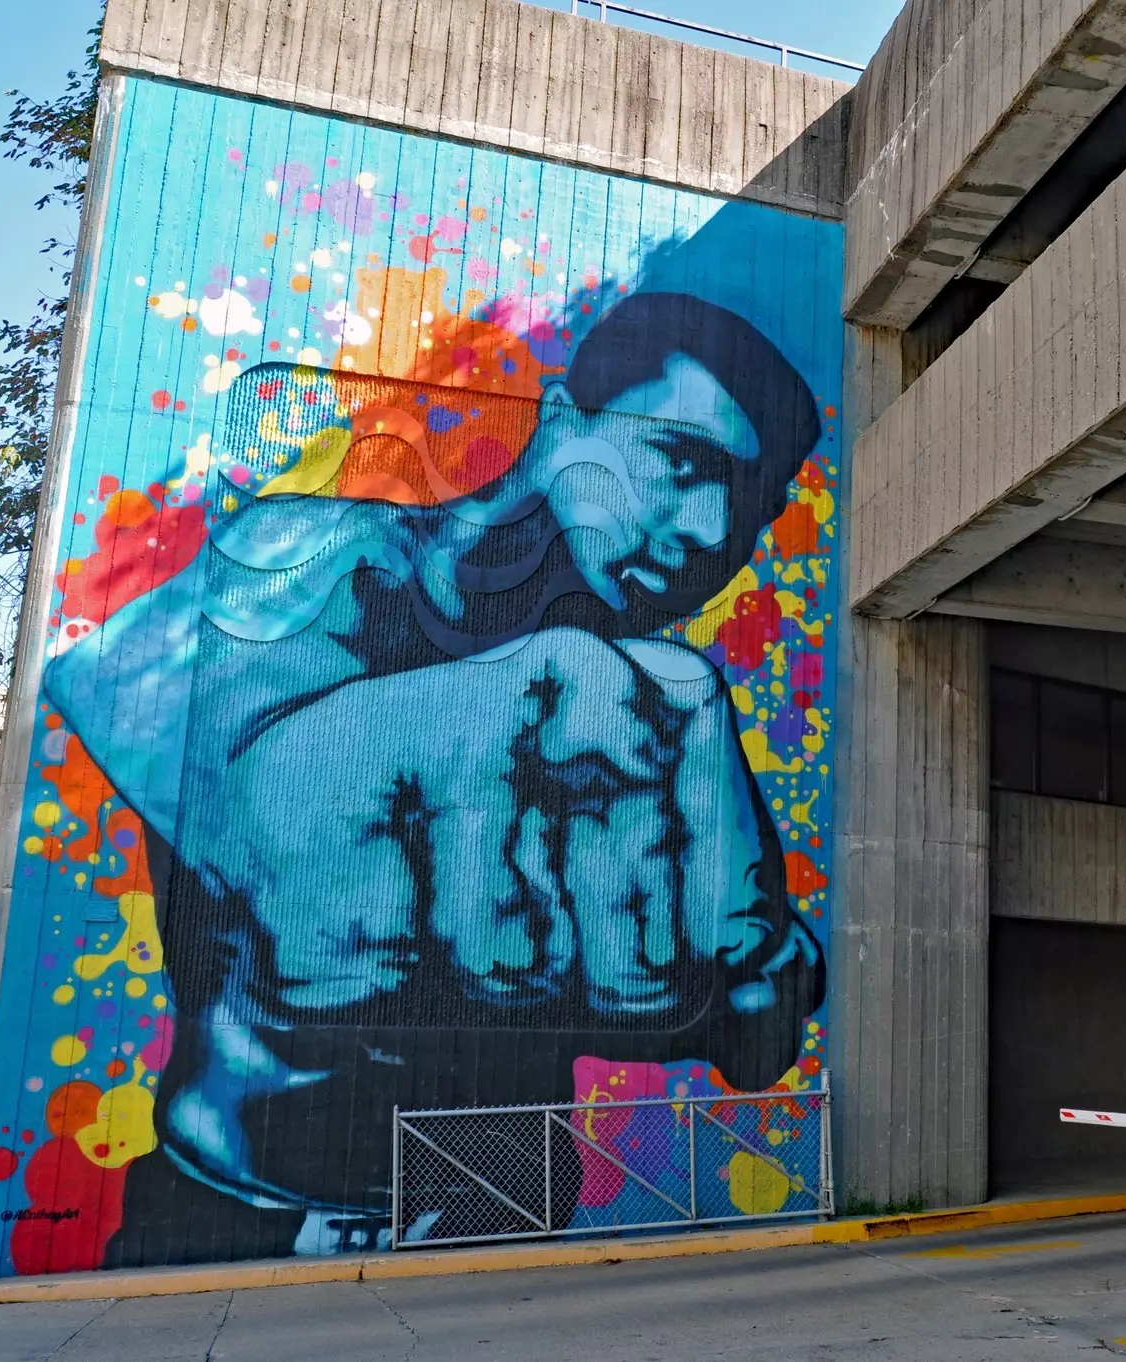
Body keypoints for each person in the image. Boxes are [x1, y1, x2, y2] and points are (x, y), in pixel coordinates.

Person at [42, 293, 827, 1262]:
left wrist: (748, 962)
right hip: (242, 1230)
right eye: (682, 461)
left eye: (755, 502)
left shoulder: (648, 711)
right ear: (563, 421)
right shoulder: (318, 559)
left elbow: (752, 1026)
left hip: (513, 1232)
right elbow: (234, 809)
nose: (713, 530)